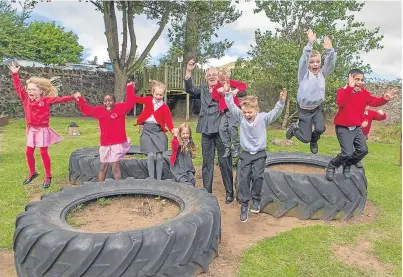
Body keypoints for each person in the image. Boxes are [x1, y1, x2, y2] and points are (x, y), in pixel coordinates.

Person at [224, 83, 286, 222]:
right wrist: (228, 94)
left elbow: (275, 113)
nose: (246, 115)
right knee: (244, 178)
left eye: (249, 112)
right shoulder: (241, 117)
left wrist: (281, 102)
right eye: (244, 112)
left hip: (259, 153)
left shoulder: (263, 118)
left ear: (257, 109)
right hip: (245, 153)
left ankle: (256, 200)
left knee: (257, 177)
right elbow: (231, 107)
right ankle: (244, 204)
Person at [9, 61, 76, 188]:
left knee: (43, 153)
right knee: (29, 152)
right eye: (29, 89)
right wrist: (14, 74)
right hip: (31, 129)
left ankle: (48, 176)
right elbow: (18, 87)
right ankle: (33, 172)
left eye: (33, 89)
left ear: (40, 91)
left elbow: (59, 99)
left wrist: (73, 97)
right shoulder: (25, 99)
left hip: (42, 130)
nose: (30, 91)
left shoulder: (45, 100)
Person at [326, 70, 395, 181]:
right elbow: (341, 103)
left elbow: (374, 102)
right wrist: (349, 88)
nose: (360, 82)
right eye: (357, 79)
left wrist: (384, 99)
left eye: (362, 80)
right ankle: (332, 166)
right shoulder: (342, 91)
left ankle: (347, 165)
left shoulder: (364, 93)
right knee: (347, 153)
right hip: (343, 128)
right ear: (349, 79)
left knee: (363, 150)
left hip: (357, 128)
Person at [184, 58, 234, 204]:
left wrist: (229, 89)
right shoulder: (202, 89)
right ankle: (207, 193)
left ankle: (230, 193)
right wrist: (188, 71)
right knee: (207, 162)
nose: (211, 76)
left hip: (221, 129)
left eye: (214, 74)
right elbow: (189, 89)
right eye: (209, 75)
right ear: (206, 78)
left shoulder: (223, 89)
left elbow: (240, 92)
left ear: (218, 77)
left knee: (225, 161)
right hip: (206, 129)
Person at [286, 29, 337, 154]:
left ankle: (314, 140)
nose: (315, 64)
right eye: (312, 62)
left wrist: (330, 51)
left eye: (318, 62)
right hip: (304, 110)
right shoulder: (303, 75)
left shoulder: (322, 74)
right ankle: (294, 129)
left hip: (317, 108)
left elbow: (330, 64)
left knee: (320, 129)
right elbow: (303, 60)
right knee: (304, 138)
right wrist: (310, 44)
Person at [74, 82, 135, 182]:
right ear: (103, 102)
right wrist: (79, 100)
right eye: (105, 101)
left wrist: (129, 88)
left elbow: (130, 103)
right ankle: (100, 189)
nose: (108, 103)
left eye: (110, 101)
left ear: (114, 102)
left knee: (115, 167)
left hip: (117, 143)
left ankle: (118, 189)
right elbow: (87, 110)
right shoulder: (100, 111)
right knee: (102, 166)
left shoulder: (120, 108)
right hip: (105, 144)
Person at [135, 80, 178, 180]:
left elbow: (169, 122)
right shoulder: (148, 100)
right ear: (153, 93)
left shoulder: (164, 107)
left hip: (158, 131)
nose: (158, 97)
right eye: (156, 94)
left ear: (163, 95)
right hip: (147, 130)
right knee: (150, 155)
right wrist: (129, 88)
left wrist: (173, 130)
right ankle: (151, 178)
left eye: (161, 95)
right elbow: (135, 99)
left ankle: (158, 179)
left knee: (159, 156)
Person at [211, 69, 247, 158]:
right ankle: (227, 147)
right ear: (218, 78)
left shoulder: (231, 83)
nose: (223, 82)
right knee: (222, 129)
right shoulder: (217, 86)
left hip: (233, 109)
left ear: (228, 78)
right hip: (224, 112)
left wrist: (236, 90)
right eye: (221, 80)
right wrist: (218, 92)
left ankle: (237, 147)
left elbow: (243, 85)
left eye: (225, 80)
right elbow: (215, 97)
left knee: (232, 127)